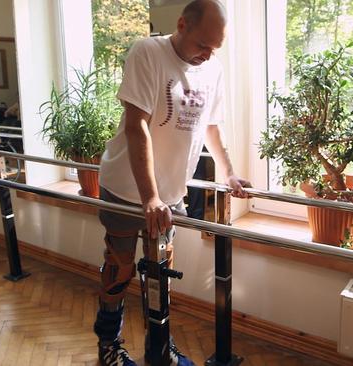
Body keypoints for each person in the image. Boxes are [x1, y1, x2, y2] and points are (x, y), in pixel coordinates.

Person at [94, 1, 250, 365]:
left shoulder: (213, 68)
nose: (208, 55)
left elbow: (210, 126)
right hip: (126, 189)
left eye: (215, 48)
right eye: (202, 46)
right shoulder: (148, 52)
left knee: (159, 276)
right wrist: (149, 198)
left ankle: (159, 348)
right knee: (119, 271)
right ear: (182, 24)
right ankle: (108, 346)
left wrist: (227, 172)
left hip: (171, 195)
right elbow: (137, 126)